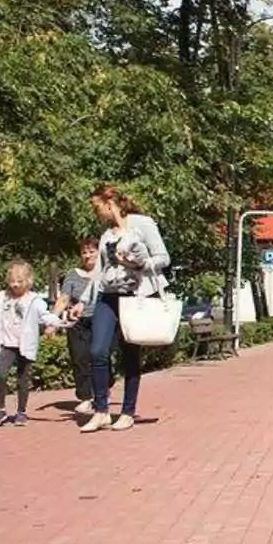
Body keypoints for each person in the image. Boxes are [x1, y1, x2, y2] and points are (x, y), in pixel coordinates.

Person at [72, 184, 171, 433]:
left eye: (97, 208)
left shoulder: (142, 223)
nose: (97, 214)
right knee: (97, 351)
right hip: (108, 296)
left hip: (135, 296)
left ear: (110, 203)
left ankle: (127, 411)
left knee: (130, 355)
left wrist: (137, 264)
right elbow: (99, 272)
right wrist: (82, 301)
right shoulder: (106, 234)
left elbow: (163, 258)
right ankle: (101, 411)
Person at [0, 261, 69, 429]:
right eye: (12, 280)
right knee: (0, 375)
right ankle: (0, 410)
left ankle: (21, 411)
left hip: (24, 344)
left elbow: (45, 316)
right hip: (6, 344)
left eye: (19, 281)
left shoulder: (34, 300)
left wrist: (61, 322)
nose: (15, 284)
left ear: (28, 280)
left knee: (23, 378)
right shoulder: (1, 297)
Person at [55, 237, 105, 416]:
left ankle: (102, 390)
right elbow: (64, 298)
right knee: (79, 358)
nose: (88, 255)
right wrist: (53, 320)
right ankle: (86, 398)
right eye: (84, 252)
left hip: (102, 320)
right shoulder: (73, 274)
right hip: (78, 322)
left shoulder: (105, 272)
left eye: (92, 251)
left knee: (99, 357)